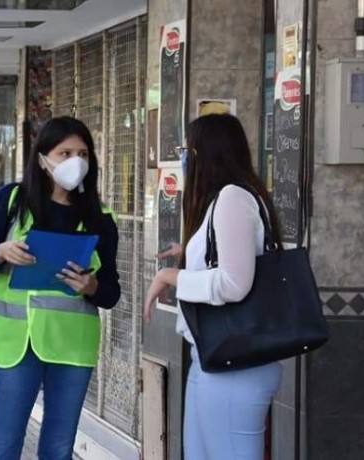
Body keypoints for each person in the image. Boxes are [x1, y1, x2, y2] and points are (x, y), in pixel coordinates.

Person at [0, 116, 121, 460]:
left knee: (58, 450)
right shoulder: (11, 201)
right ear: (42, 159)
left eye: (82, 153)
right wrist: (0, 252)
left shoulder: (100, 217)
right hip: (16, 344)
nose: (74, 161)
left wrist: (92, 285)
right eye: (64, 153)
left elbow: (111, 292)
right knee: (2, 449)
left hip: (73, 347)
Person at [144, 114, 283, 460]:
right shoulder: (231, 197)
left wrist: (170, 277)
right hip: (215, 359)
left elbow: (234, 283)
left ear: (206, 152)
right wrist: (188, 255)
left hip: (235, 366)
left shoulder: (233, 198)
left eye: (188, 150)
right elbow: (227, 261)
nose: (184, 159)